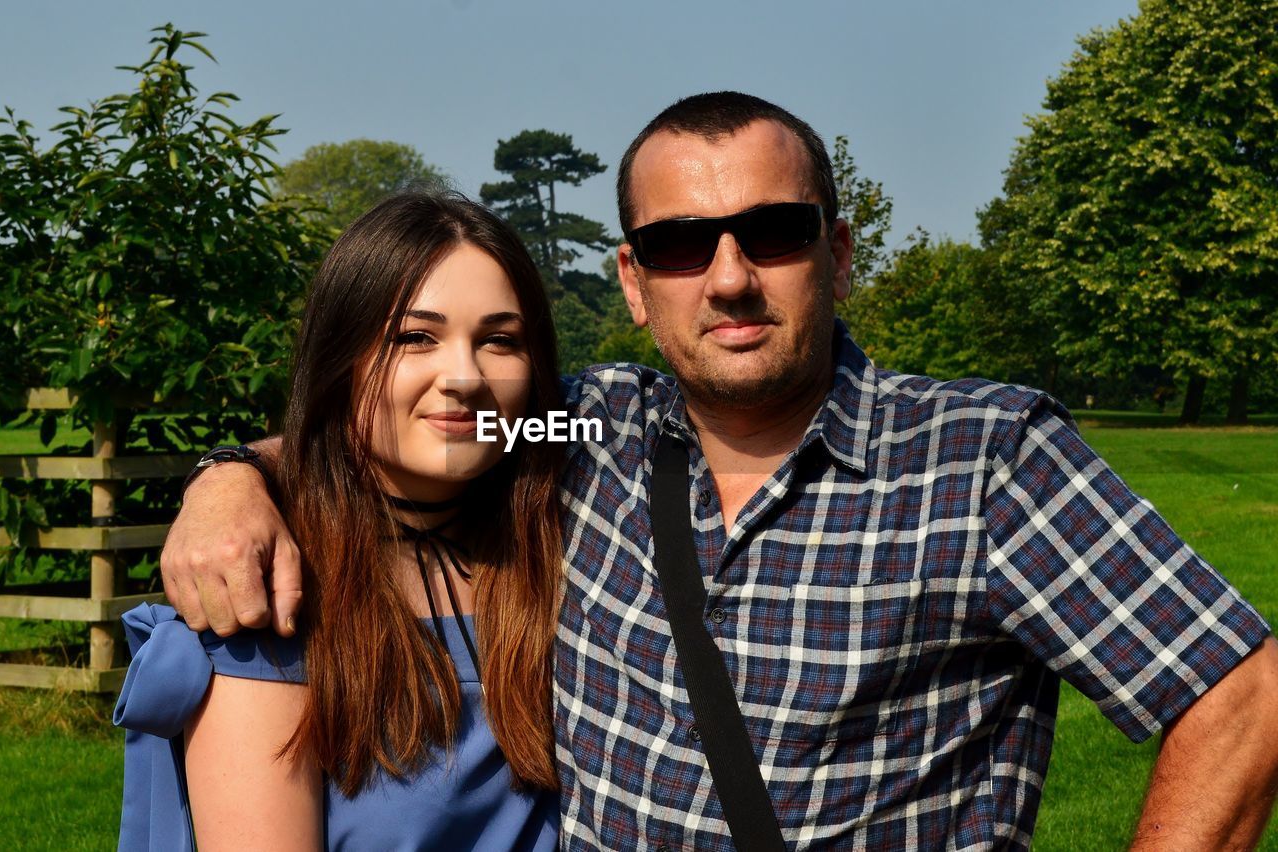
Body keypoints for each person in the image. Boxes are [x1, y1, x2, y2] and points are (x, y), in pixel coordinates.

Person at [159, 93, 1278, 850]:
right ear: (635, 283)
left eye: (773, 233)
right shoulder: (586, 433)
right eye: (684, 246)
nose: (730, 278)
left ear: (836, 253)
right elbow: (404, 431)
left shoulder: (979, 460)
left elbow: (1242, 691)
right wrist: (230, 479)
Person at [114, 189, 564, 850]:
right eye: (415, 337)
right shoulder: (272, 595)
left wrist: (229, 468)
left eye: (500, 340)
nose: (465, 377)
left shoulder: (575, 530)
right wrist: (227, 474)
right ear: (339, 360)